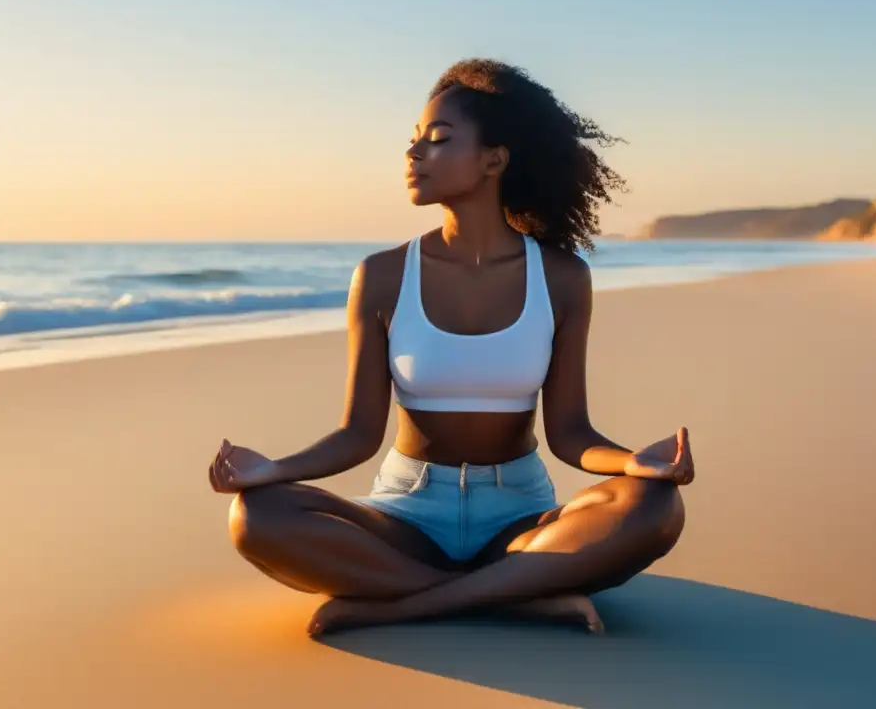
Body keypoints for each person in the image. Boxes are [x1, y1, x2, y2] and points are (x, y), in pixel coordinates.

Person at [208, 59, 694, 638]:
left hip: (518, 516)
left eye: (437, 140)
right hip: (406, 514)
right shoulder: (383, 275)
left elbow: (570, 433)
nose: (413, 155)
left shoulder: (561, 278)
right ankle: (513, 596)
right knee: (257, 516)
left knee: (654, 508)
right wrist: (276, 469)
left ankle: (400, 601)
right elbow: (359, 433)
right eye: (412, 142)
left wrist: (633, 462)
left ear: (495, 158)